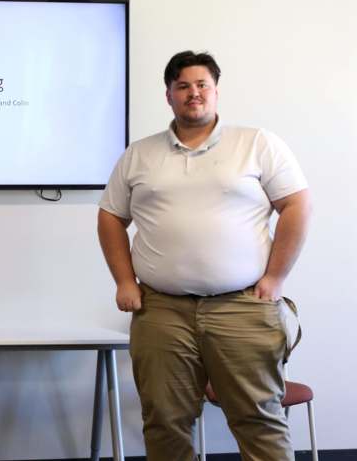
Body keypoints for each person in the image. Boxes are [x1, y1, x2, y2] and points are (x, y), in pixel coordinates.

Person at [97, 51, 311, 461]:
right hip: (161, 310)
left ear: (215, 91)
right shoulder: (139, 154)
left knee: (258, 418)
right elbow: (110, 216)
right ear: (168, 96)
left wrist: (276, 279)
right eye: (182, 86)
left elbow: (298, 206)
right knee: (164, 421)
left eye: (201, 85)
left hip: (244, 306)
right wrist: (124, 281)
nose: (193, 93)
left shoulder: (256, 143)